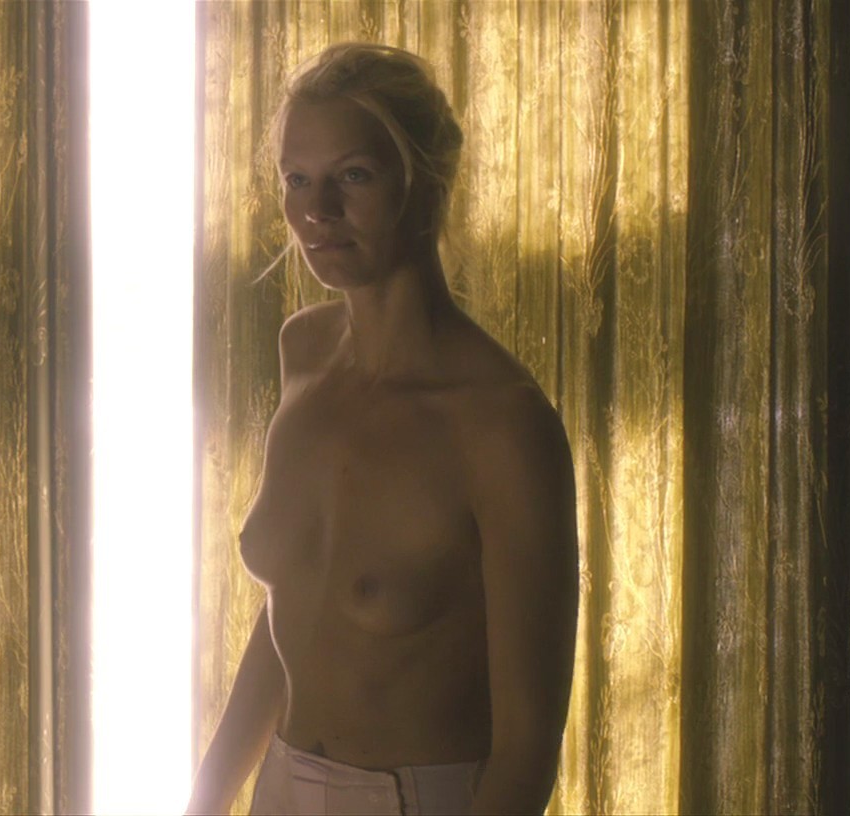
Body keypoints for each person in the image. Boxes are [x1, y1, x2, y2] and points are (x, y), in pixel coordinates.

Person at [186, 42, 580, 816]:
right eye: (297, 179)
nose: (317, 211)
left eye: (354, 175)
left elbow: (528, 750)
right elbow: (293, 613)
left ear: (427, 183)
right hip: (281, 787)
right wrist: (204, 800)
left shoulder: (502, 426)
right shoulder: (303, 353)